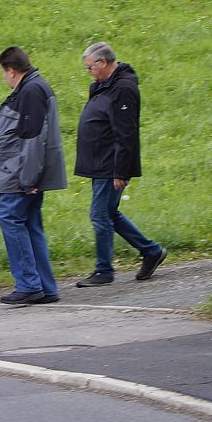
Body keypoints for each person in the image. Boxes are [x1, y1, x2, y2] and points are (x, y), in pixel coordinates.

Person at [73, 42, 164, 287]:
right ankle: (151, 251)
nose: (88, 71)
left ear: (103, 62)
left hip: (109, 163)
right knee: (109, 213)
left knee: (100, 214)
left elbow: (126, 132)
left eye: (90, 67)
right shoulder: (104, 86)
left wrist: (121, 170)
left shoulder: (122, 88)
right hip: (100, 161)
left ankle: (104, 270)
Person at [0, 47, 65, 307]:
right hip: (25, 174)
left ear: (11, 70)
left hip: (19, 176)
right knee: (31, 225)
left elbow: (34, 139)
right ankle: (45, 286)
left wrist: (29, 179)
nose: (4, 78)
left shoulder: (30, 92)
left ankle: (29, 285)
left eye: (4, 73)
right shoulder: (37, 87)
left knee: (10, 219)